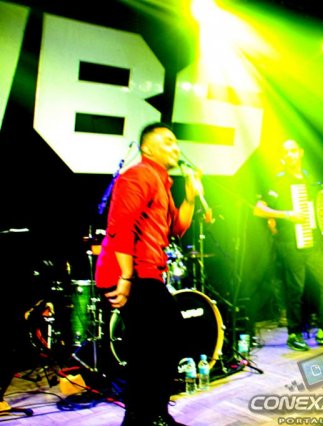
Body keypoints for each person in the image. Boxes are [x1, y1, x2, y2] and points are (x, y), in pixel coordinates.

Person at [95, 122, 202, 426]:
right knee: (155, 347)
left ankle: (151, 416)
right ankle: (145, 418)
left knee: (159, 347)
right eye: (167, 141)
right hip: (132, 274)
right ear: (147, 148)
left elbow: (175, 229)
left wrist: (190, 198)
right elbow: (120, 225)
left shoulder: (161, 182)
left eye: (176, 142)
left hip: (146, 274)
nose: (176, 147)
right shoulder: (139, 174)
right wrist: (126, 277)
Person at [253, 139, 323, 351]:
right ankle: (294, 333)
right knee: (295, 289)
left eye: (293, 151)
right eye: (286, 152)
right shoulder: (277, 181)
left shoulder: (311, 179)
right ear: (282, 157)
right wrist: (287, 215)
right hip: (290, 242)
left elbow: (322, 207)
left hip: (315, 242)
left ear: (301, 153)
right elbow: (259, 209)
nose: (290, 155)